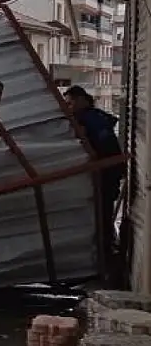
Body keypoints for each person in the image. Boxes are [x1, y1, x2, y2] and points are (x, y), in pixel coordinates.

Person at [64, 85, 125, 286]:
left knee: (102, 217)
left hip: (106, 176)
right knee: (101, 217)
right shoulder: (91, 118)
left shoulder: (93, 119)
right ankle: (101, 261)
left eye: (71, 102)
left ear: (83, 100)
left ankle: (103, 263)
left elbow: (105, 147)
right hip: (106, 175)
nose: (69, 107)